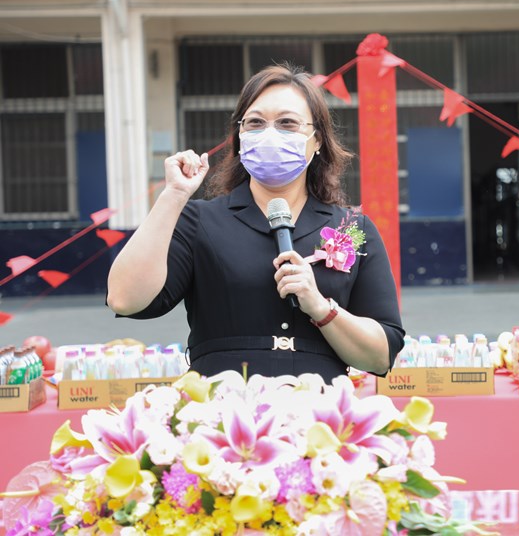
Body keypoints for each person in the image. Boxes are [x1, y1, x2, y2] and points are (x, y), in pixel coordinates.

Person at [107, 63, 404, 381]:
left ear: (317, 140)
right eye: (256, 123)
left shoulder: (351, 229)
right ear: (239, 137)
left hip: (320, 416)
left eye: (288, 123)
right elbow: (125, 300)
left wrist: (321, 307)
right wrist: (173, 196)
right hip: (221, 413)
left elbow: (381, 355)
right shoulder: (199, 220)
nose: (270, 134)